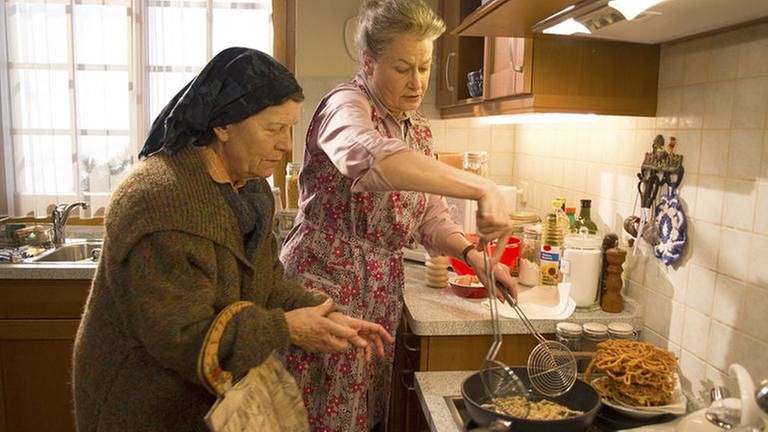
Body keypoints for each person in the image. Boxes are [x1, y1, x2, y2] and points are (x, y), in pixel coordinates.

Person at [71, 47, 393, 432]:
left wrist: (327, 314)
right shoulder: (160, 201)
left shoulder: (248, 189)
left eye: (289, 128)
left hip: (202, 399)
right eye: (273, 129)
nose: (286, 145)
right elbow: (182, 336)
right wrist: (287, 328)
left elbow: (266, 285)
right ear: (223, 126)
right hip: (142, 404)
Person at [278, 1, 517, 430]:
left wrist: (473, 256)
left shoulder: (417, 127)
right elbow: (373, 161)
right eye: (403, 68)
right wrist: (483, 186)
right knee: (316, 417)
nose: (417, 82)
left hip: (378, 293)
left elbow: (427, 214)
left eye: (424, 67)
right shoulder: (345, 106)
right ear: (369, 63)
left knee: (364, 417)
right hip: (324, 287)